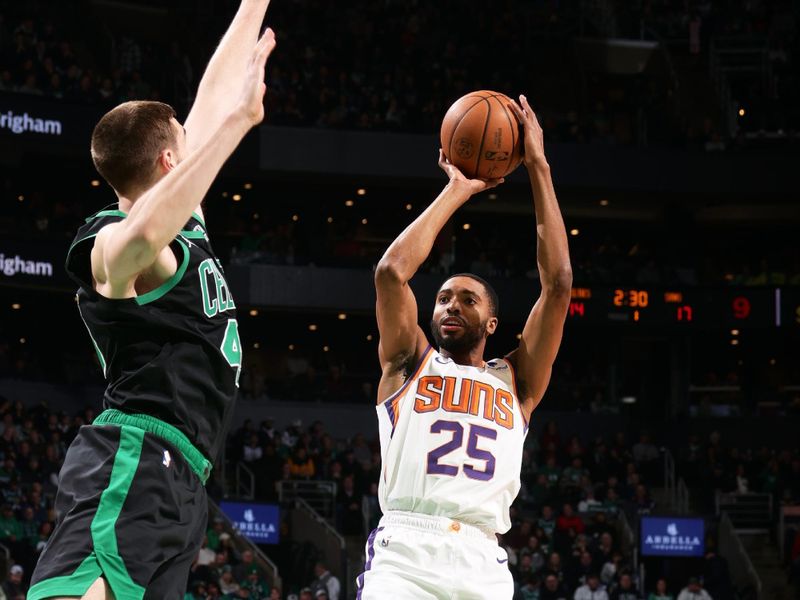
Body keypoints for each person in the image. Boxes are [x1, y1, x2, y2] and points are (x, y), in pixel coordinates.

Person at [26, 2, 278, 598]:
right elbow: (139, 240)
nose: (199, 139)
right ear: (171, 161)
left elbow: (213, 94)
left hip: (183, 474)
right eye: (188, 143)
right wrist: (238, 125)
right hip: (132, 455)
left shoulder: (183, 220)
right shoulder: (108, 240)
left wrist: (252, 7)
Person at [359, 95, 572, 599]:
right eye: (442, 298)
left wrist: (538, 166)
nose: (451, 306)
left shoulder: (516, 381)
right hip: (407, 550)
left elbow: (558, 283)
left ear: (492, 322)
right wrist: (457, 189)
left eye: (467, 299)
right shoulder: (409, 362)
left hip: (482, 558)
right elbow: (391, 272)